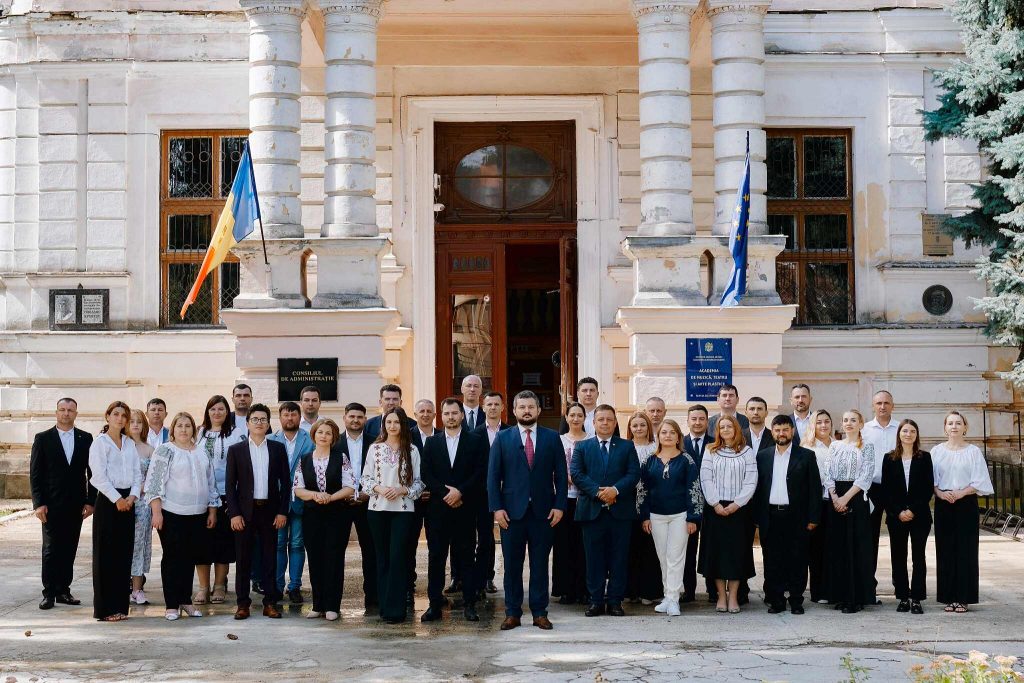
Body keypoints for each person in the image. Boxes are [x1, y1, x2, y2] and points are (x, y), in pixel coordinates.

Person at [488, 390, 567, 630]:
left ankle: (540, 612)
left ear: (538, 410)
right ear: (513, 411)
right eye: (522, 407)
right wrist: (497, 508)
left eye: (531, 407)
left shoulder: (552, 438)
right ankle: (512, 613)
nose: (526, 411)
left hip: (544, 513)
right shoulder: (503, 438)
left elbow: (561, 476)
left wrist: (559, 506)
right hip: (511, 513)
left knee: (540, 564)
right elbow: (493, 477)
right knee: (512, 565)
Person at [144, 412, 219, 620]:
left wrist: (212, 509)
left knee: (189, 558)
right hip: (171, 513)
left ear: (193, 429)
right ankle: (171, 604)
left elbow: (210, 482)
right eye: (179, 426)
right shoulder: (165, 450)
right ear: (173, 429)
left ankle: (185, 600)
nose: (184, 430)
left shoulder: (202, 451)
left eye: (188, 426)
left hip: (198, 514)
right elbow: (154, 482)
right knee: (173, 558)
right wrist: (156, 512)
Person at [420, 399, 487, 623]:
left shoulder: (475, 440)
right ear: (442, 416)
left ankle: (470, 605)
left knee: (467, 557)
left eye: (454, 413)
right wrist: (445, 493)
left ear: (461, 415)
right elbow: (426, 473)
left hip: (465, 509)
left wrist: (460, 492)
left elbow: (480, 472)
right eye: (447, 413)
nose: (451, 417)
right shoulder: (432, 442)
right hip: (438, 510)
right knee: (436, 558)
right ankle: (434, 605)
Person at [571, 404, 640, 617]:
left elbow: (633, 473)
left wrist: (615, 490)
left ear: (615, 422)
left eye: (609, 419)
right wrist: (598, 492)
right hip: (591, 512)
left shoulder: (627, 446)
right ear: (593, 423)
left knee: (619, 558)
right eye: (601, 419)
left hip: (620, 512)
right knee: (594, 559)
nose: (605, 423)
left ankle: (615, 602)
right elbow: (576, 473)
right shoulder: (582, 446)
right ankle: (596, 601)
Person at [225, 403, 291, 620]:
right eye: (255, 419)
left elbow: (286, 483)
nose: (259, 423)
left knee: (269, 558)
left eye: (263, 419)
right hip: (244, 513)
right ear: (247, 423)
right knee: (243, 559)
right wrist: (234, 513)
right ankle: (242, 603)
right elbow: (230, 485)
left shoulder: (277, 449)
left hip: (270, 512)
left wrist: (282, 512)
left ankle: (270, 602)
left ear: (268, 424)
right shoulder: (236, 450)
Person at [753, 415, 821, 615]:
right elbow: (758, 489)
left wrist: (813, 518)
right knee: (772, 561)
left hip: (797, 517)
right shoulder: (762, 456)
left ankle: (796, 600)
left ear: (792, 431)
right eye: (777, 430)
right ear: (772, 432)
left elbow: (814, 488)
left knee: (798, 560)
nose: (781, 434)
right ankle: (776, 600)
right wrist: (757, 518)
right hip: (771, 516)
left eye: (785, 430)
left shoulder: (806, 456)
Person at [362, 407, 424, 624]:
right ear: (384, 425)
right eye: (388, 422)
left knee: (398, 557)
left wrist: (402, 490)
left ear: (403, 424)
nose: (392, 426)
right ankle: (384, 607)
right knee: (382, 558)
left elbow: (419, 483)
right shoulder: (375, 449)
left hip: (403, 510)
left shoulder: (412, 450)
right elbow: (365, 479)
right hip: (377, 509)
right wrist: (380, 489)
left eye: (396, 422)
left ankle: (397, 610)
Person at [30, 397, 94, 611]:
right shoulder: (43, 438)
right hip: (50, 505)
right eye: (62, 409)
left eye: (70, 410)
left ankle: (63, 591)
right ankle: (48, 593)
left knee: (69, 548)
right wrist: (39, 503)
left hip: (76, 504)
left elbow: (92, 472)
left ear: (76, 413)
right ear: (56, 412)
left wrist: (91, 501)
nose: (66, 413)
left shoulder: (85, 438)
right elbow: (35, 474)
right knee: (50, 550)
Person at [293, 418, 356, 621]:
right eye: (320, 432)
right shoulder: (304, 459)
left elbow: (350, 486)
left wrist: (331, 497)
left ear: (333, 437)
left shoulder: (341, 457)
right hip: (312, 516)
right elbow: (298, 489)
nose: (323, 436)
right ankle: (317, 605)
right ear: (314, 435)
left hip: (337, 515)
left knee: (334, 559)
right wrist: (315, 495)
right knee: (315, 558)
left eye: (328, 433)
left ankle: (332, 606)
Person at [931, 411, 994, 614]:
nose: (954, 426)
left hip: (966, 502)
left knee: (966, 550)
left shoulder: (973, 452)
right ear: (945, 428)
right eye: (950, 423)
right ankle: (948, 597)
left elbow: (980, 480)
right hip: (943, 503)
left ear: (965, 427)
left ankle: (964, 598)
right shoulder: (936, 452)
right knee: (945, 550)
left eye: (958, 423)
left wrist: (961, 493)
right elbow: (930, 480)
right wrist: (940, 493)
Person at [640, 419, 701, 617]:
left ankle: (674, 600)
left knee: (675, 557)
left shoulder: (686, 460)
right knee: (663, 557)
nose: (668, 435)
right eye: (664, 432)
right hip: (656, 516)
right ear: (658, 436)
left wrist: (693, 517)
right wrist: (644, 516)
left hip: (680, 516)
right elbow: (643, 489)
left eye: (672, 432)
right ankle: (667, 596)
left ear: (678, 437)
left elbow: (694, 489)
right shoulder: (649, 460)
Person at [697, 415, 756, 614]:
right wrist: (715, 503)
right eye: (722, 427)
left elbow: (751, 480)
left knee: (736, 555)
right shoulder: (710, 450)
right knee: (718, 555)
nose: (725, 430)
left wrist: (737, 504)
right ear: (717, 431)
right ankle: (721, 596)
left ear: (736, 428)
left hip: (739, 510)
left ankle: (733, 597)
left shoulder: (747, 452)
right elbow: (705, 478)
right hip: (716, 510)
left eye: (729, 426)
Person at [89, 400, 142, 621]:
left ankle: (120, 606)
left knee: (123, 556)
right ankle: (105, 609)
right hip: (108, 502)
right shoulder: (100, 443)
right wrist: (117, 499)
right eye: (116, 414)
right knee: (106, 556)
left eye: (124, 415)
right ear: (108, 416)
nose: (120, 419)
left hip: (128, 502)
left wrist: (132, 496)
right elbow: (98, 477)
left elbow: (137, 473)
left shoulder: (129, 443)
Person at [822, 409, 876, 614]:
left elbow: (865, 476)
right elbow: (827, 473)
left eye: (853, 420)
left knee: (856, 548)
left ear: (861, 424)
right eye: (845, 420)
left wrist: (845, 498)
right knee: (838, 548)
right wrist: (835, 497)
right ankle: (840, 595)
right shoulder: (835, 445)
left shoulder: (867, 446)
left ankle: (856, 598)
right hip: (836, 497)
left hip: (856, 497)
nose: (849, 423)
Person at [194, 395, 244, 605]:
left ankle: (220, 585)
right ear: (208, 411)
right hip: (201, 495)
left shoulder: (236, 433)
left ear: (227, 412)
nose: (217, 413)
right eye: (213, 409)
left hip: (226, 494)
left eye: (221, 409)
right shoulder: (199, 433)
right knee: (202, 543)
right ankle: (203, 587)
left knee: (223, 542)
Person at [881, 419, 933, 614]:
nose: (908, 434)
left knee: (919, 557)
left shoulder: (925, 457)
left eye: (912, 431)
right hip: (896, 516)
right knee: (898, 557)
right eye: (905, 431)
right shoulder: (889, 458)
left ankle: (917, 598)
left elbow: (927, 488)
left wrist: (912, 510)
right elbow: (886, 490)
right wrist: (899, 512)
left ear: (916, 435)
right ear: (899, 434)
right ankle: (903, 597)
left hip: (919, 516)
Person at [269, 401, 314, 604]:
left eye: (293, 414)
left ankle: (295, 586)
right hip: (277, 502)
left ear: (299, 416)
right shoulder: (271, 439)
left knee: (297, 544)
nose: (290, 418)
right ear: (280, 418)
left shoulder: (309, 439)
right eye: (286, 415)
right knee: (278, 544)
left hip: (299, 501)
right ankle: (278, 586)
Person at [337, 402, 378, 612]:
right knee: (336, 552)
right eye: (351, 416)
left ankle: (373, 598)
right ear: (345, 418)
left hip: (367, 502)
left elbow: (379, 472)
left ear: (365, 420)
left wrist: (367, 493)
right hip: (340, 505)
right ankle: (333, 601)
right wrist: (343, 494)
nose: (355, 420)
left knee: (371, 551)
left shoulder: (375, 442)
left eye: (359, 417)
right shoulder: (334, 442)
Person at [862, 389, 898, 600]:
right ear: (873, 406)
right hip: (872, 488)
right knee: (870, 538)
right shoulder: (865, 430)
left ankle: (900, 586)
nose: (882, 406)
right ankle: (868, 586)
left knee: (898, 537)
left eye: (886, 403)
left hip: (896, 489)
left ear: (892, 405)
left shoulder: (901, 428)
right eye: (879, 403)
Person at [472, 390, 509, 595]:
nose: (493, 407)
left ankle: (509, 579)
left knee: (509, 536)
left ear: (502, 407)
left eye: (496, 404)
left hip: (509, 492)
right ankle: (484, 578)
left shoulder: (512, 432)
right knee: (485, 537)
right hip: (482, 493)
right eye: (489, 404)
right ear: (483, 407)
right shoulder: (475, 434)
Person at [552, 402, 588, 605]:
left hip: (585, 499)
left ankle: (583, 589)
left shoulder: (591, 440)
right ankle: (565, 590)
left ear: (584, 418)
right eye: (572, 415)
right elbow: (551, 466)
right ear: (566, 418)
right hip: (563, 499)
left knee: (583, 546)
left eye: (579, 415)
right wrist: (563, 477)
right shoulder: (558, 440)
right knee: (563, 545)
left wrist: (580, 479)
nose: (575, 418)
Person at [624, 410, 662, 606]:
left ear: (648, 427)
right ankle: (631, 591)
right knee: (630, 547)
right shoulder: (624, 447)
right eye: (635, 425)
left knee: (650, 548)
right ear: (630, 428)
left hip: (652, 502)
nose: (639, 428)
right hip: (628, 502)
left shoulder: (656, 448)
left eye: (642, 425)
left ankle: (650, 591)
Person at [801, 409, 834, 604]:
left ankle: (832, 589)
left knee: (833, 548)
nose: (823, 425)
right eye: (819, 422)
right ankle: (818, 591)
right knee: (816, 549)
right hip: (817, 502)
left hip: (837, 502)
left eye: (827, 421)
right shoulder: (808, 448)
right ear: (812, 425)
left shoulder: (838, 445)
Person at [409, 398, 438, 605]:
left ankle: (435, 590)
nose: (425, 414)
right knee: (409, 545)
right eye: (422, 411)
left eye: (429, 411)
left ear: (434, 414)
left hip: (436, 501)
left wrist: (433, 490)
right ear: (415, 414)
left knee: (436, 547)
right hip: (412, 501)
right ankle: (408, 587)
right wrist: (417, 491)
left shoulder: (442, 436)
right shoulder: (406, 437)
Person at [682, 404, 711, 603]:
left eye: (701, 419)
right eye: (694, 419)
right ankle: (689, 591)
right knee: (688, 550)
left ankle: (713, 590)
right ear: (688, 421)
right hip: (687, 505)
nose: (698, 422)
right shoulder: (680, 443)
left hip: (712, 504)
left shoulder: (716, 442)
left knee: (711, 548)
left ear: (707, 421)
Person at [127, 409, 155, 606]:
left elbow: (153, 477)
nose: (135, 425)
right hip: (122, 501)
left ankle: (137, 589)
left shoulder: (149, 449)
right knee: (122, 545)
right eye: (132, 421)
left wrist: (138, 490)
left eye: (139, 421)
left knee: (139, 545)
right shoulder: (120, 446)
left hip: (142, 503)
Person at [364, 384, 423, 450]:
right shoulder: (369, 425)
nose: (391, 403)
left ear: (400, 402)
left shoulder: (413, 425)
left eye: (395, 399)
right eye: (387, 399)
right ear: (380, 402)